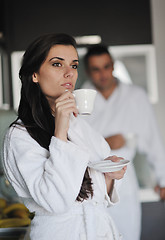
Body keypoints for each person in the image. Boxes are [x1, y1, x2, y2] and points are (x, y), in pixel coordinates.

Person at [2, 33, 127, 240]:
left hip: (100, 231)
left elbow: (97, 194)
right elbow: (55, 201)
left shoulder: (80, 125)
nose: (69, 73)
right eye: (57, 64)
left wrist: (112, 174)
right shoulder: (19, 135)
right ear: (35, 74)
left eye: (74, 65)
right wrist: (60, 131)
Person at [81, 44, 165, 240]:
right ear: (88, 72)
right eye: (96, 69)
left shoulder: (136, 96)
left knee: (127, 233)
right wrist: (106, 142)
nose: (103, 74)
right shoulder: (80, 100)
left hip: (125, 180)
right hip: (89, 181)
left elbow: (153, 141)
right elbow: (73, 144)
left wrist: (163, 180)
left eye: (106, 66)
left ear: (113, 66)